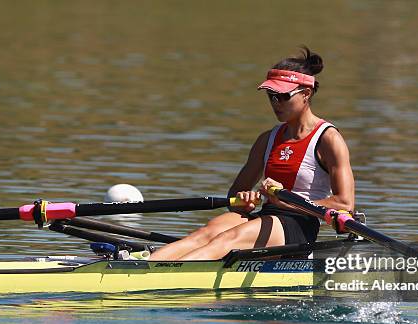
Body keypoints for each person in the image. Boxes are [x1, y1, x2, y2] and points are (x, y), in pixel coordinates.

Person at [149, 47, 354, 261]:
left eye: (283, 96)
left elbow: (344, 203)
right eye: (271, 96)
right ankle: (142, 267)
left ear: (306, 94)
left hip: (299, 226)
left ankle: (165, 274)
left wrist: (286, 202)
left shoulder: (328, 140)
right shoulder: (267, 139)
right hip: (265, 217)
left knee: (226, 239)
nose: (276, 103)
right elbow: (234, 195)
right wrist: (244, 200)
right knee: (203, 235)